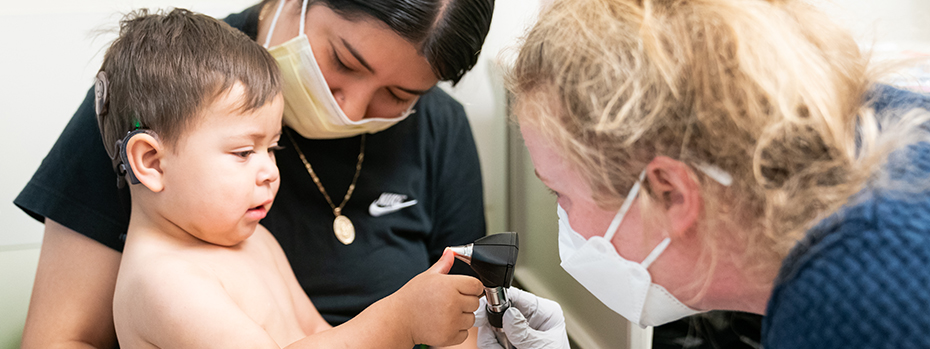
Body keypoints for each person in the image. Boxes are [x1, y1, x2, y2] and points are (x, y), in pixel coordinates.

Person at [15, 0, 493, 348]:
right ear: (152, 162)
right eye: (344, 62)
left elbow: (321, 336)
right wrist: (397, 323)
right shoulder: (161, 94)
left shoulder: (250, 236)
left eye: (399, 95)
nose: (350, 109)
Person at [476, 0, 930, 348]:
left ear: (670, 192)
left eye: (560, 193)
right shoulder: (873, 118)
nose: (565, 221)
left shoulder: (851, 305)